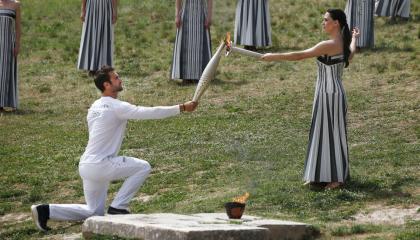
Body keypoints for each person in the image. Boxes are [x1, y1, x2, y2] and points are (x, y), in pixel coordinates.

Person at [31, 65, 198, 231]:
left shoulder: (94, 107)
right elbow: (147, 112)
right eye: (116, 78)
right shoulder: (116, 106)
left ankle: (45, 210)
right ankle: (118, 207)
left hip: (87, 165)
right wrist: (182, 107)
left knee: (93, 211)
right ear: (107, 85)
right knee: (143, 167)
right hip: (100, 164)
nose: (120, 79)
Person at [261, 9, 360, 189]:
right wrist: (354, 38)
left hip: (328, 94)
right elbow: (351, 53)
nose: (323, 23)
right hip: (331, 93)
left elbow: (299, 55)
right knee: (324, 133)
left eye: (326, 20)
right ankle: (319, 176)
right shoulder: (343, 44)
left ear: (336, 23)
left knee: (332, 134)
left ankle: (336, 178)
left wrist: (272, 56)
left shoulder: (328, 44)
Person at [171, 0, 213, 84]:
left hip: (201, 15)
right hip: (186, 15)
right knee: (186, 46)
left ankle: (199, 76)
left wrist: (209, 16)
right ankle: (185, 76)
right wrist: (177, 16)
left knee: (199, 47)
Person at [77, 0, 118, 74]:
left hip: (106, 7)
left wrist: (114, 11)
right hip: (91, 6)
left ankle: (103, 66)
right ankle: (90, 65)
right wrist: (83, 9)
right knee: (91, 35)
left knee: (104, 36)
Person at [0, 0, 21, 112]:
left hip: (8, 44)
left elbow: (18, 27)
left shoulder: (16, 4)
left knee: (5, 72)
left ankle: (6, 102)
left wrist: (17, 44)